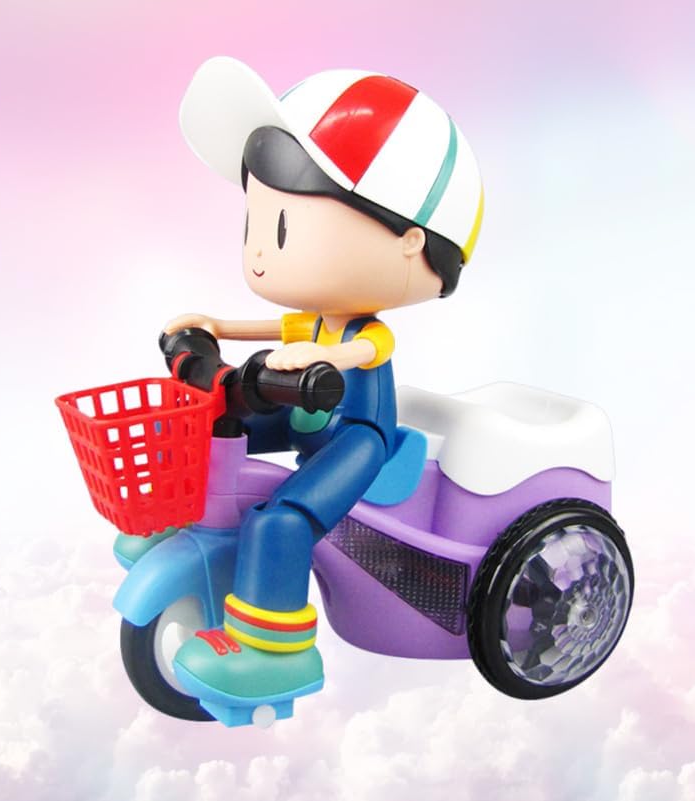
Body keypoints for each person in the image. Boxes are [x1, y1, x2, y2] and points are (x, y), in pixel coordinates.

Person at [163, 57, 484, 714]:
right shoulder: (306, 320)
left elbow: (361, 352)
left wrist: (322, 359)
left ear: (411, 243)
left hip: (357, 437)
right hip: (304, 413)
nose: (260, 250)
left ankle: (274, 656)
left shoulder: (363, 332)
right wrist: (214, 325)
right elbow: (266, 327)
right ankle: (173, 528)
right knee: (209, 424)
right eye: (255, 225)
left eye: (284, 228)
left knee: (281, 520)